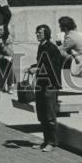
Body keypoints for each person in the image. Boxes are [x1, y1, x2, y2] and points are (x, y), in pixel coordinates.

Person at [32, 24, 62, 152]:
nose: (38, 34)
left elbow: (52, 67)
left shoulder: (52, 48)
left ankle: (52, 142)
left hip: (50, 85)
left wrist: (37, 69)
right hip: (41, 84)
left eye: (40, 32)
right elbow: (41, 63)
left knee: (50, 116)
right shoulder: (41, 46)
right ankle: (45, 140)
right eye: (37, 32)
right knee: (42, 114)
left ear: (47, 34)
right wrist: (33, 67)